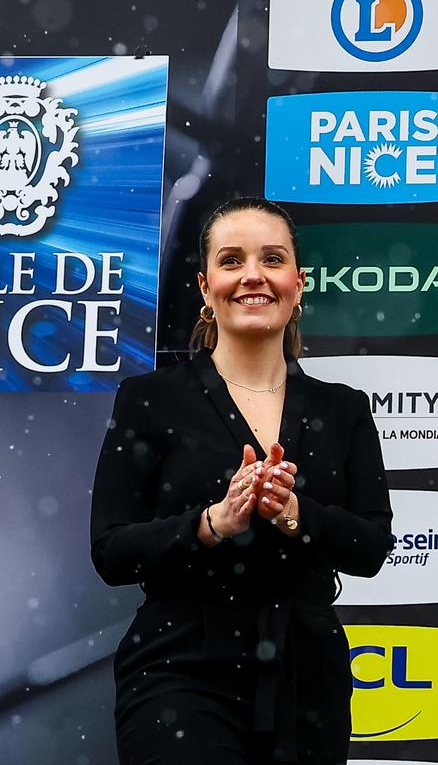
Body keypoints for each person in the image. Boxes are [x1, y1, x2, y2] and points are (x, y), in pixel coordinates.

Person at [91, 197, 394, 765]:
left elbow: (372, 546)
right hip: (178, 666)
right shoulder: (151, 400)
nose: (253, 275)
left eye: (271, 259)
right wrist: (212, 523)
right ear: (206, 288)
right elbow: (110, 551)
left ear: (298, 284)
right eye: (232, 261)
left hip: (307, 676)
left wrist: (295, 515)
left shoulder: (344, 409)